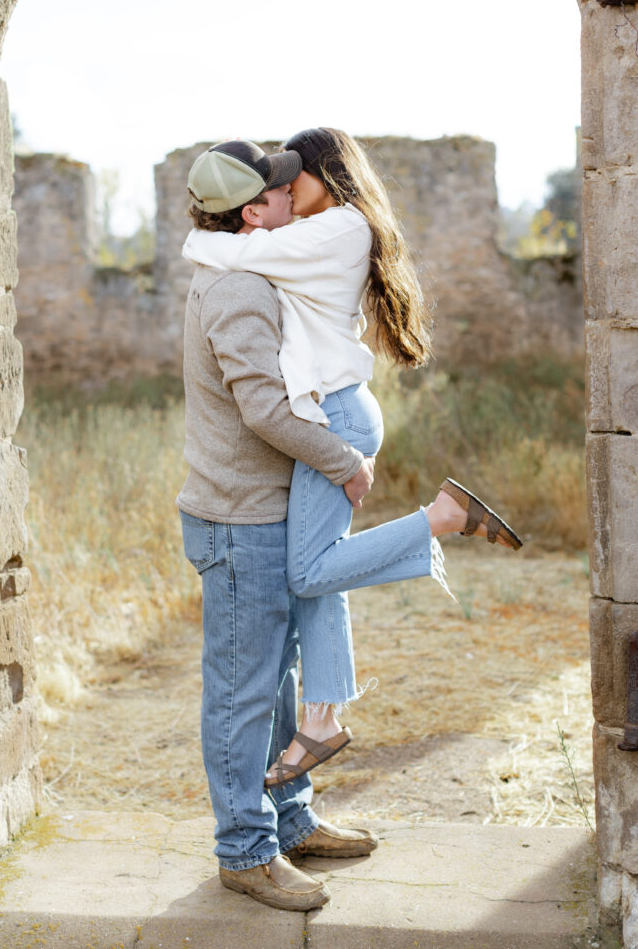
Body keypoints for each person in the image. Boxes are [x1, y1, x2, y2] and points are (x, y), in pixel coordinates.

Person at [182, 127, 523, 789]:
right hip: (331, 408)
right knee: (317, 573)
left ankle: (442, 517)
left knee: (307, 573)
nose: (284, 187)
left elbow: (209, 245)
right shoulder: (318, 232)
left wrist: (214, 225)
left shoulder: (336, 227)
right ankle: (322, 720)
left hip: (333, 414)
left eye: (292, 176)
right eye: (275, 182)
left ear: (325, 176)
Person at [177, 139, 380, 914]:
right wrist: (343, 463)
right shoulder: (237, 291)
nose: (295, 199)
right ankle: (245, 852)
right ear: (251, 211)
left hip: (268, 511)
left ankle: (290, 822)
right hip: (239, 518)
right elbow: (264, 411)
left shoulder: (250, 272)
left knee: (279, 682)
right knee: (241, 693)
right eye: (279, 192)